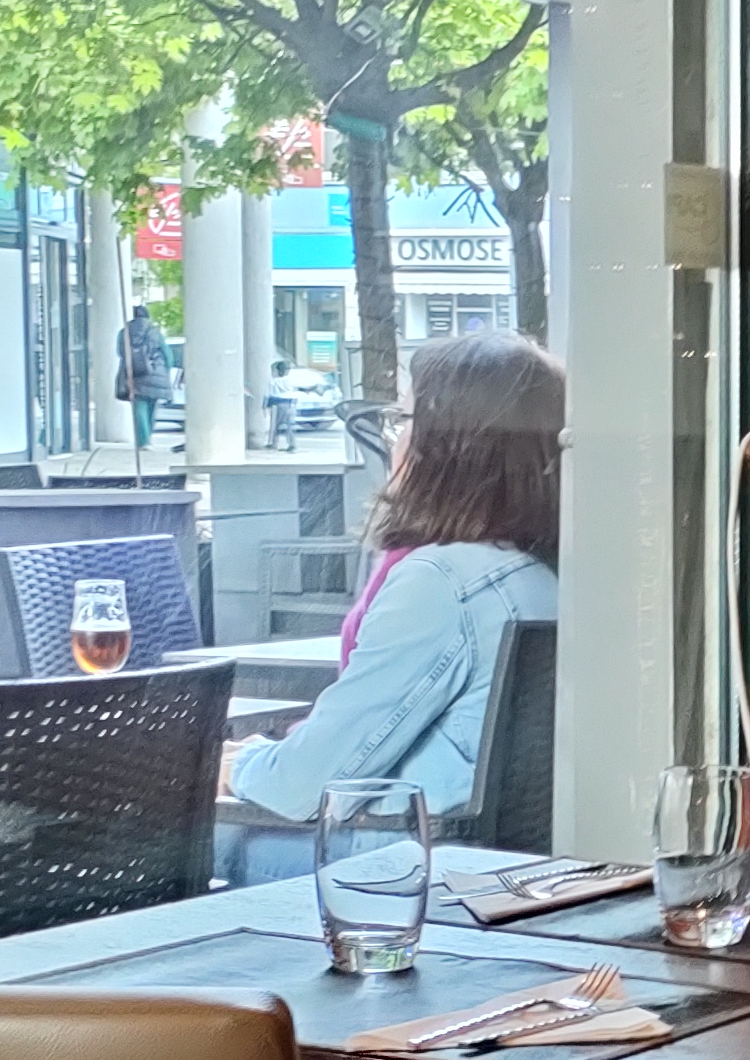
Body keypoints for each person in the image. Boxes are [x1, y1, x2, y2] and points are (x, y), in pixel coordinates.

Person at [220, 332, 560, 876]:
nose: (393, 440)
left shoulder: (440, 584)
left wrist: (238, 764)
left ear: (449, 448)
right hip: (495, 863)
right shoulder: (544, 573)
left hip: (403, 863)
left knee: (162, 826)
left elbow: (302, 787)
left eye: (403, 420)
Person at [116, 300, 176, 465]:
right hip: (155, 371)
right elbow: (167, 354)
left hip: (134, 373)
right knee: (151, 405)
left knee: (139, 406)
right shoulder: (154, 331)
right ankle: (148, 437)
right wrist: (165, 369)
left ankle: (143, 441)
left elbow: (120, 352)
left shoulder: (124, 332)